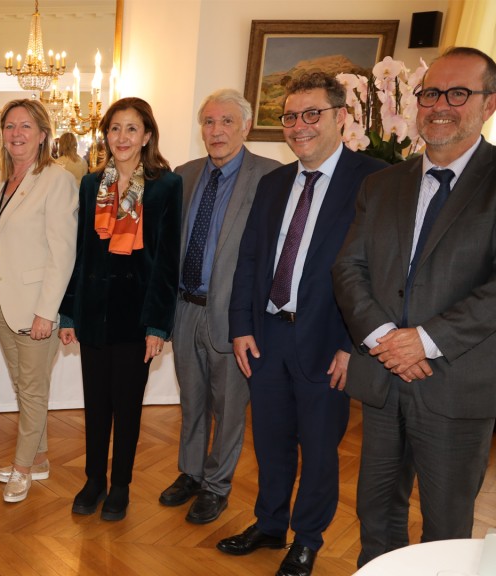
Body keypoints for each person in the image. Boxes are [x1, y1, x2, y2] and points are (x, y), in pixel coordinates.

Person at [333, 46, 496, 567]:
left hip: (456, 383)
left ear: (489, 104)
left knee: (447, 525)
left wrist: (423, 341)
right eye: (430, 93)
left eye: (458, 93)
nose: (440, 105)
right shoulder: (382, 183)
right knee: (375, 511)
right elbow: (348, 269)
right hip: (382, 381)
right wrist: (386, 339)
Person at [221, 72, 386, 576]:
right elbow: (249, 259)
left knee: (318, 450)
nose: (299, 126)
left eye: (311, 114)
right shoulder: (274, 183)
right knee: (269, 441)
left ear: (341, 117)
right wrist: (241, 326)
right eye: (290, 116)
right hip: (267, 336)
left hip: (329, 342)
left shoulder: (374, 180)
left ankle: (307, 539)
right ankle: (270, 524)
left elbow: (379, 270)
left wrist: (354, 346)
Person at [58, 97, 181, 521]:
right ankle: (94, 479)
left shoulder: (166, 185)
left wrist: (158, 326)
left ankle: (121, 485)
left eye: (131, 129)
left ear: (147, 135)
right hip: (94, 312)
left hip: (137, 316)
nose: (122, 137)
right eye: (114, 128)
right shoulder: (93, 184)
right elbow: (81, 252)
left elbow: (167, 261)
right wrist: (70, 313)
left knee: (127, 407)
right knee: (96, 405)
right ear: (105, 135)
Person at [163, 89, 280, 524]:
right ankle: (190, 473)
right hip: (185, 308)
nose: (216, 131)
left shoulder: (271, 177)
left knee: (229, 408)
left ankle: (216, 486)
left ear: (245, 126)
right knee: (191, 401)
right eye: (209, 122)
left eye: (227, 121)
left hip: (234, 317)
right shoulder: (185, 174)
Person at [0, 98, 77, 503]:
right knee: (24, 386)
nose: (16, 134)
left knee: (32, 389)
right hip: (2, 299)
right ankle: (39, 459)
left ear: (42, 135)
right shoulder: (1, 178)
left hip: (34, 305)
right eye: (9, 126)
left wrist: (46, 312)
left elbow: (62, 252)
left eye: (25, 127)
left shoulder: (57, 179)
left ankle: (21, 469)